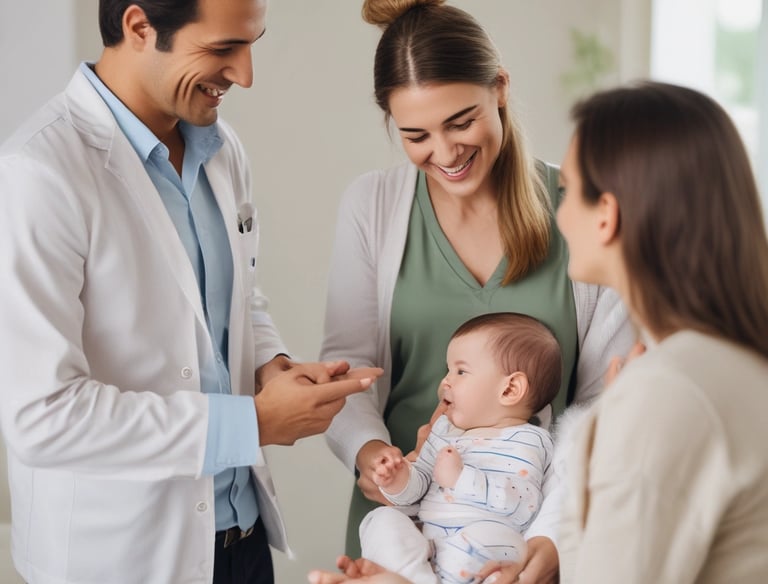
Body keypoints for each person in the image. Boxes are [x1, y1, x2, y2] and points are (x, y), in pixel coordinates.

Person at [309, 81, 768, 584]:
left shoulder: (665, 394)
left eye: (567, 189)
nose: (556, 208)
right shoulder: (725, 369)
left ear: (606, 217)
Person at [0, 1, 381, 583]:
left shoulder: (221, 149)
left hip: (242, 542)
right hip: (122, 562)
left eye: (251, 45)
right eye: (223, 48)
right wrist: (251, 424)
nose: (245, 75)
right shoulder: (39, 173)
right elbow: (42, 417)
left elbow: (236, 302)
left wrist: (271, 368)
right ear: (139, 27)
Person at [319, 0, 634, 579]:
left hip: (530, 536)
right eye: (416, 135)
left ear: (500, 89)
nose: (445, 154)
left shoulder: (585, 211)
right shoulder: (372, 207)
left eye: (461, 122)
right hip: (402, 532)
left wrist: (549, 540)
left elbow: (600, 409)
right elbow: (347, 370)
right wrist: (371, 455)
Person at [361, 313, 561, 584]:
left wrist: (461, 478)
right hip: (431, 544)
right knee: (381, 519)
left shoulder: (530, 440)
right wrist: (398, 479)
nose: (445, 381)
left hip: (487, 543)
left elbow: (525, 506)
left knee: (487, 542)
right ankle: (411, 579)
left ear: (509, 389)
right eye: (448, 370)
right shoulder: (444, 431)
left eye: (460, 371)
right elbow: (417, 490)